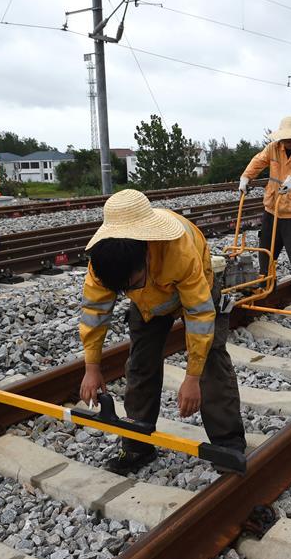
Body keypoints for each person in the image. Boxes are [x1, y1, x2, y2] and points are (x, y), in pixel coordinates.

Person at [78, 190, 246, 474]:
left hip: (199, 291)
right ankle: (137, 444)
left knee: (211, 362)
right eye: (124, 290)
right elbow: (95, 312)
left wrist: (191, 377)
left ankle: (228, 444)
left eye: (133, 283)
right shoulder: (104, 261)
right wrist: (92, 367)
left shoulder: (178, 249)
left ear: (145, 253)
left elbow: (199, 313)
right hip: (149, 307)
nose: (129, 291)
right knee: (140, 364)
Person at [239, 116, 291, 303]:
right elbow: (258, 161)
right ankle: (266, 283)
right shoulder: (273, 148)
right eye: (285, 138)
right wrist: (245, 177)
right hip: (272, 208)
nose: (288, 141)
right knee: (266, 249)